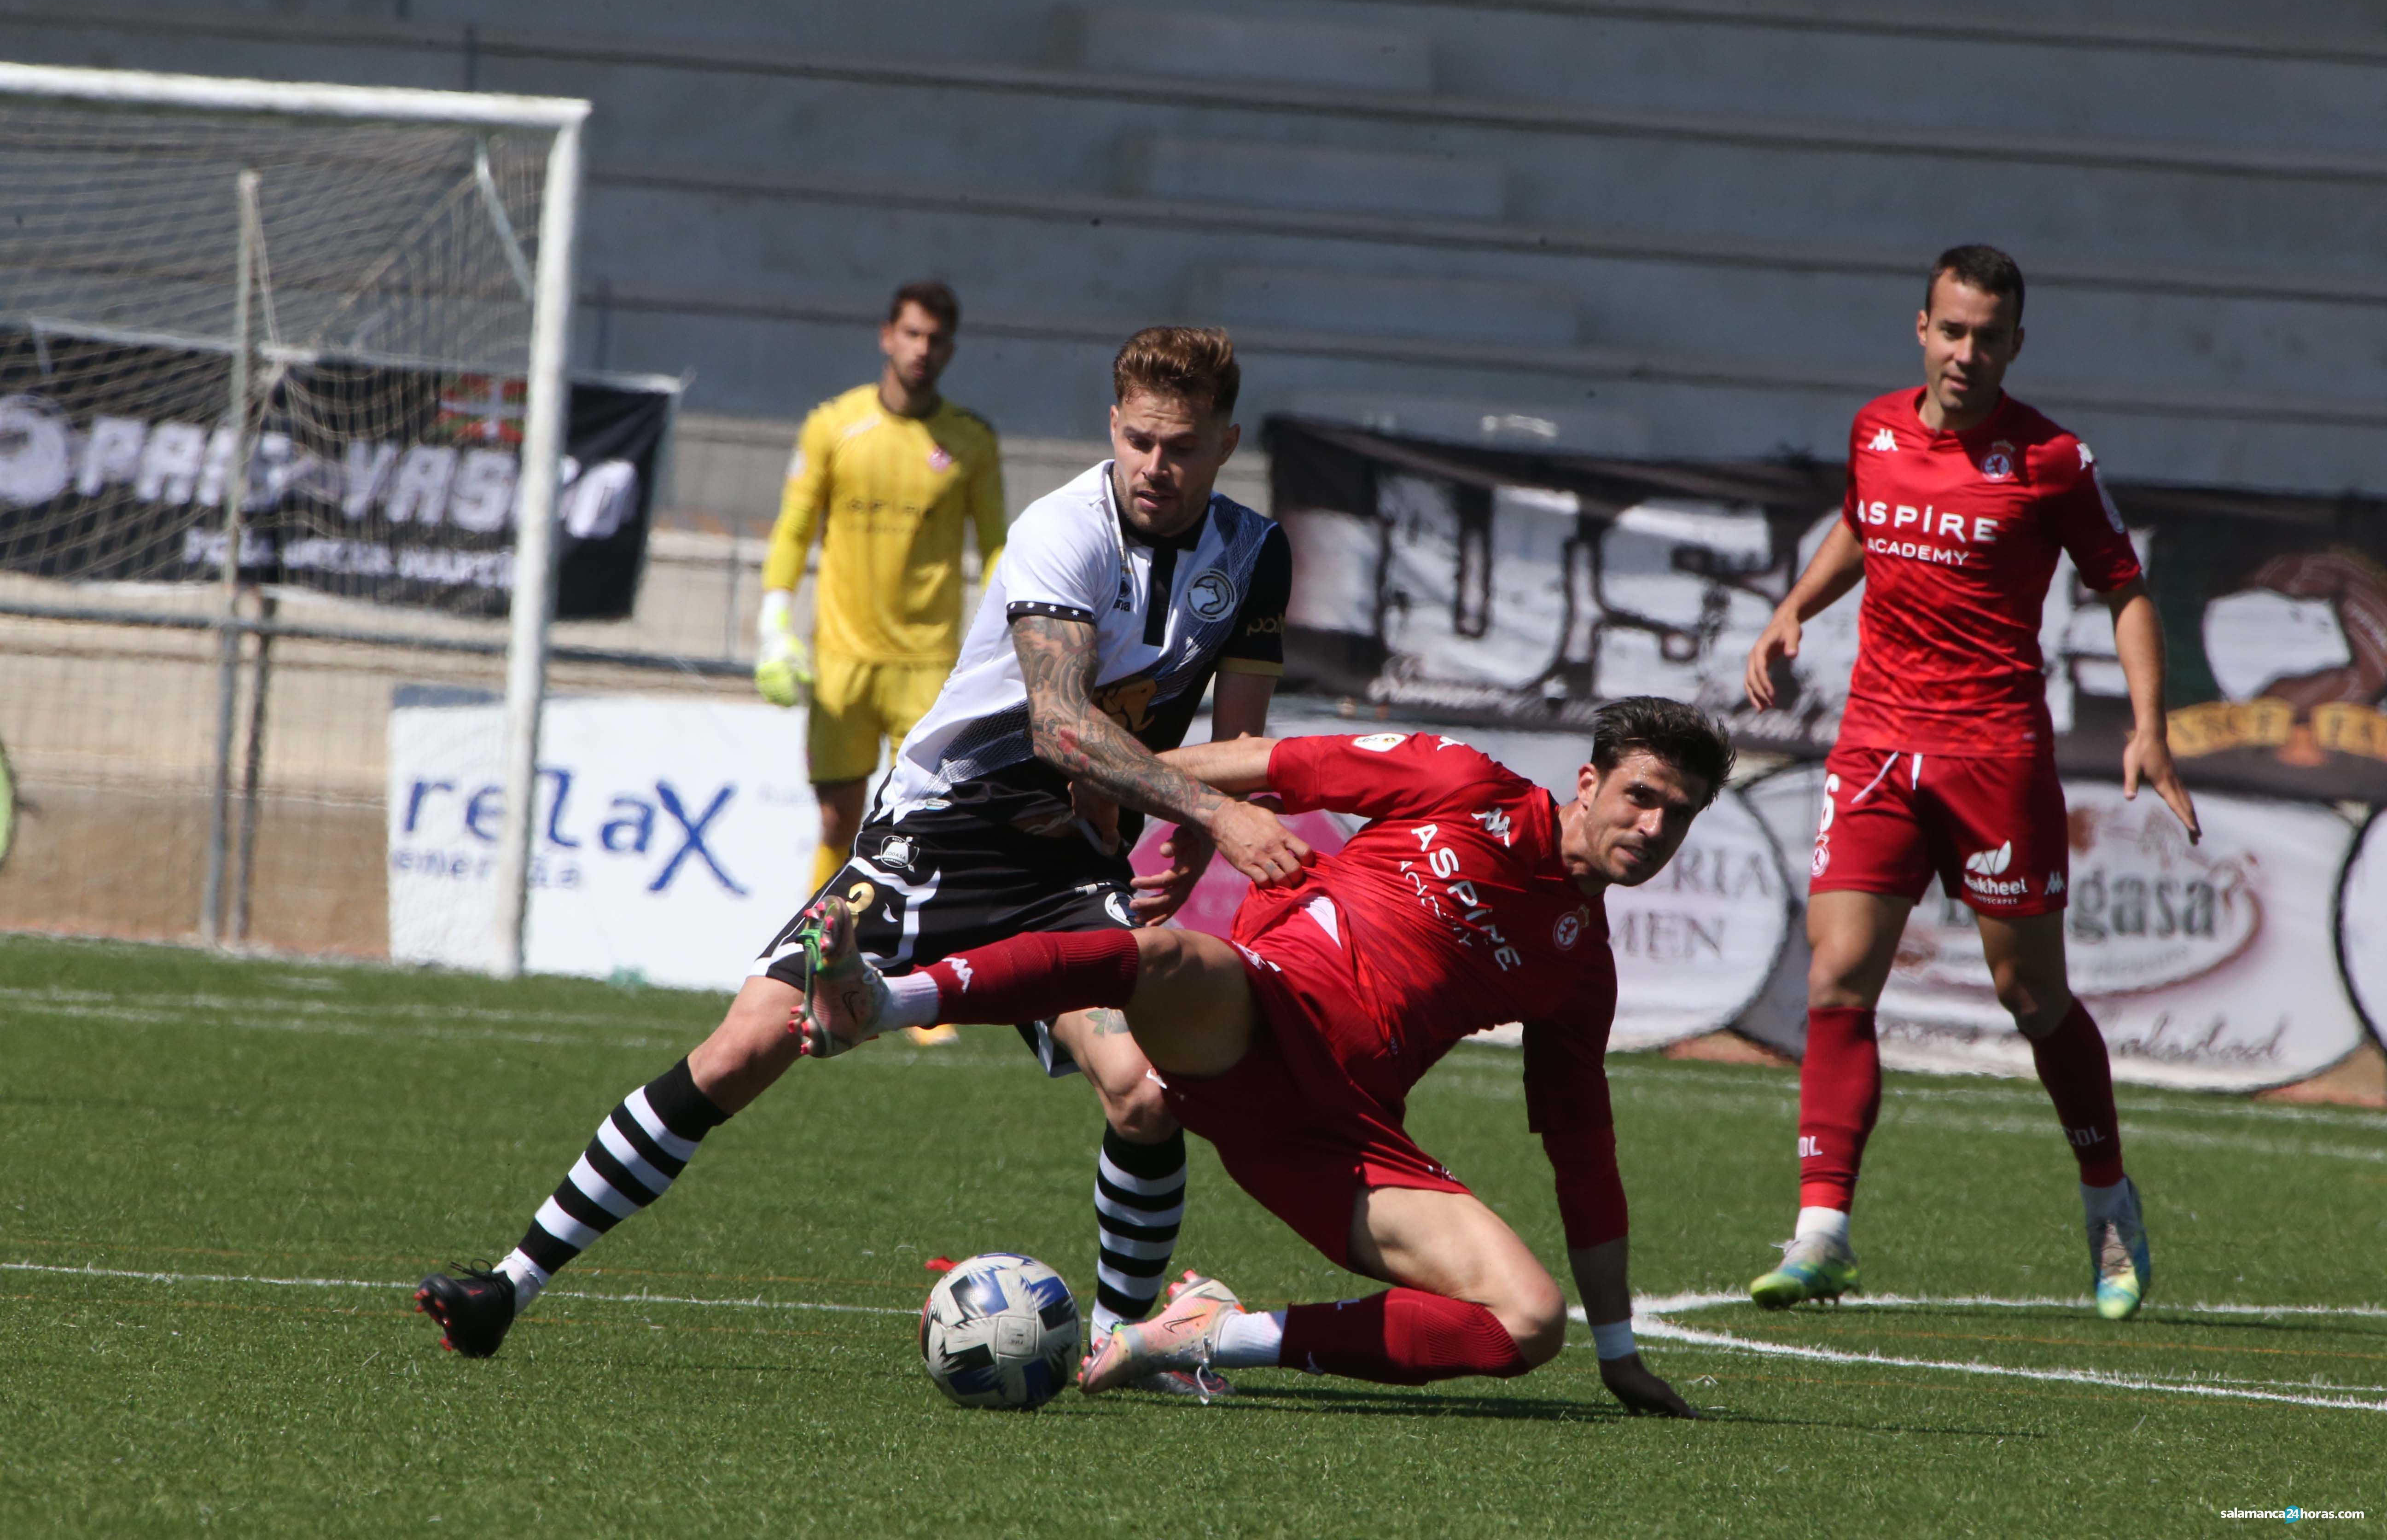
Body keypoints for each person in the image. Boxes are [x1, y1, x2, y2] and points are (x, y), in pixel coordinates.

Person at [419, 328, 1302, 1388]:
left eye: (1184, 447)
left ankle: (1121, 1346)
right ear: (1114, 427)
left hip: (1069, 870)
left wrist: (1199, 834)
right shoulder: (1062, 529)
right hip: (938, 836)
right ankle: (507, 1287)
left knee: (1146, 1093)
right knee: (744, 1047)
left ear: (1225, 444)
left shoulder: (1253, 554)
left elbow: (1241, 737)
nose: (1158, 467)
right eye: (1142, 441)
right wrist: (1211, 808)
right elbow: (1058, 729)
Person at [790, 700, 1730, 1414]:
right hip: (1255, 1010)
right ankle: (882, 1000)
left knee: (1527, 1324)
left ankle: (1209, 1335)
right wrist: (1133, 784)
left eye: (1676, 815)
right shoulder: (1463, 782)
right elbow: (1266, 763)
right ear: (1588, 784)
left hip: (1339, 1136)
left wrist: (1615, 1349)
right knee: (1164, 962)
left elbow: (1584, 1157)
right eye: (1640, 795)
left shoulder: (1581, 967)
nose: (1651, 827)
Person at [1741, 244, 2200, 1320]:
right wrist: (1796, 605)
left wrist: (2149, 729)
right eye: (1952, 330)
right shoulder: (1875, 429)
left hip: (1994, 755)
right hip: (1875, 750)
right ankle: (1822, 1233)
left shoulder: (2052, 460)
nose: (1967, 352)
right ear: (1922, 328)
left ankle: (2107, 1202)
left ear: (2015, 345)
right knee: (1838, 978)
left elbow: (2125, 590)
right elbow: (1863, 519)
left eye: (1988, 336)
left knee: (2029, 994)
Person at [753, 280, 1007, 904]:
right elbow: (793, 528)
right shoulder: (834, 426)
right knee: (840, 822)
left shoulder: (971, 439)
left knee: (923, 832)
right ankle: (816, 971)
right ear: (887, 337)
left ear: (951, 349)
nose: (922, 349)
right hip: (843, 662)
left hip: (929, 668)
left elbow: (999, 548)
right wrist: (773, 623)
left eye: (936, 339)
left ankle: (925, 996)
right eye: (912, 334)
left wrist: (1007, 643)